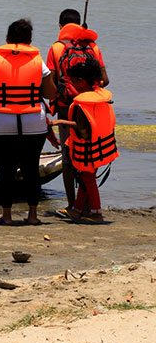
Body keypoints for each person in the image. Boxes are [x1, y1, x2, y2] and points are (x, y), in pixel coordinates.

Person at [0, 19, 56, 225]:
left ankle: (7, 216)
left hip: (3, 121)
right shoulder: (39, 62)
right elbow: (50, 93)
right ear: (30, 41)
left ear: (7, 40)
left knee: (6, 171)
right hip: (33, 120)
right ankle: (32, 216)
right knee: (31, 169)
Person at [46, 8, 109, 212]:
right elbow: (105, 80)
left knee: (69, 158)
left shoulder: (56, 48)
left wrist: (64, 94)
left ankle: (72, 204)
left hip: (67, 110)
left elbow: (51, 84)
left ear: (60, 26)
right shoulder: (93, 47)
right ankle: (89, 205)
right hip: (94, 108)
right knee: (92, 158)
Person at [49, 59, 118, 224]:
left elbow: (81, 126)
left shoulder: (81, 103)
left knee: (88, 180)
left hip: (88, 149)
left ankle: (96, 213)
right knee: (86, 177)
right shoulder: (100, 96)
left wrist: (58, 122)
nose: (72, 85)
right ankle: (77, 209)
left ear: (81, 81)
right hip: (98, 147)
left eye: (73, 82)